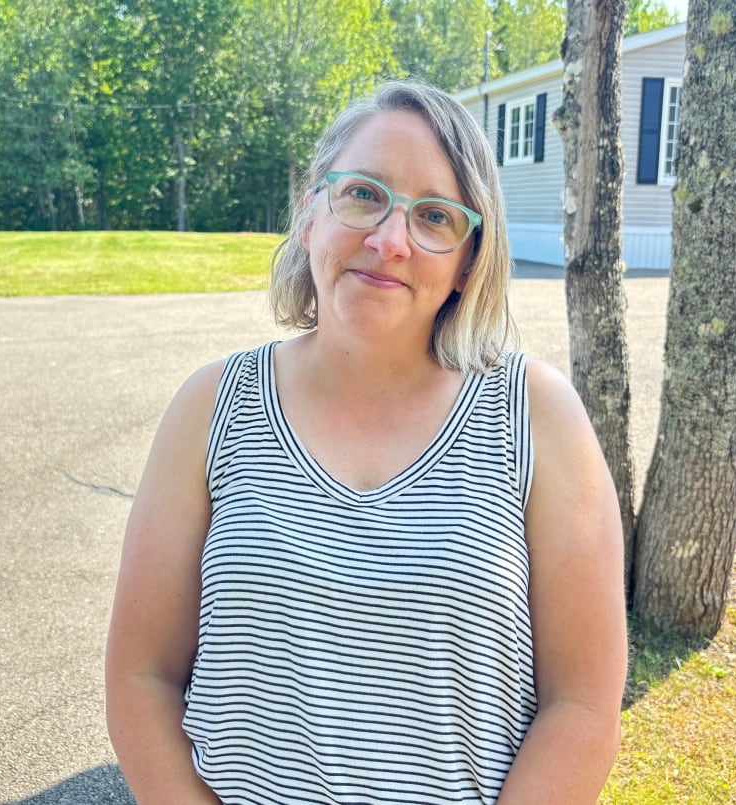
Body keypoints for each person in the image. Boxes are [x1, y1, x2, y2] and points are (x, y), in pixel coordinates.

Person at [105, 78, 628, 804]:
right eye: (363, 194)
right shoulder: (211, 407)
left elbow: (583, 704)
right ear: (312, 211)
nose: (389, 240)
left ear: (468, 261)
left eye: (435, 216)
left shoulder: (536, 416)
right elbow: (141, 676)